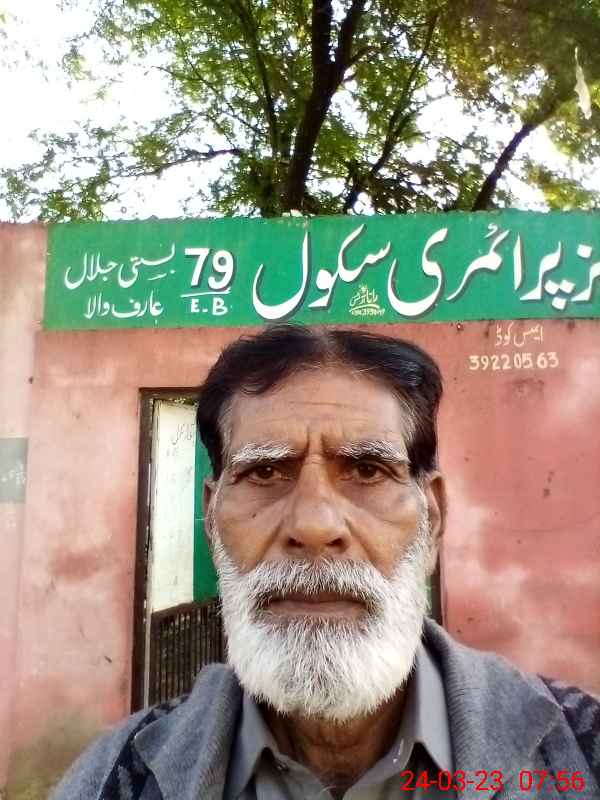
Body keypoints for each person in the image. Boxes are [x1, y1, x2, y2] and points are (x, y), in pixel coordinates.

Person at [53, 325, 600, 800]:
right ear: (213, 521)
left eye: (367, 470)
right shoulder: (110, 779)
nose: (315, 527)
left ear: (432, 519)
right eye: (265, 472)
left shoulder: (583, 753)